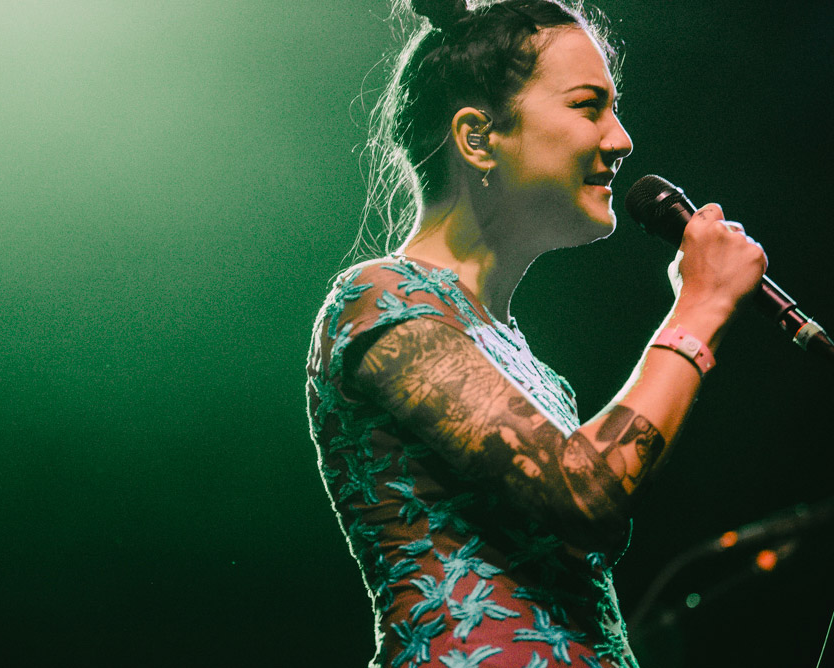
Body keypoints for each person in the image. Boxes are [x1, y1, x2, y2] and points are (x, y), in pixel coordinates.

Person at [305, 1, 767, 666]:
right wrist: (701, 306)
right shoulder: (379, 299)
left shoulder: (538, 375)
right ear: (477, 137)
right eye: (588, 106)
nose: (621, 139)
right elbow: (582, 494)